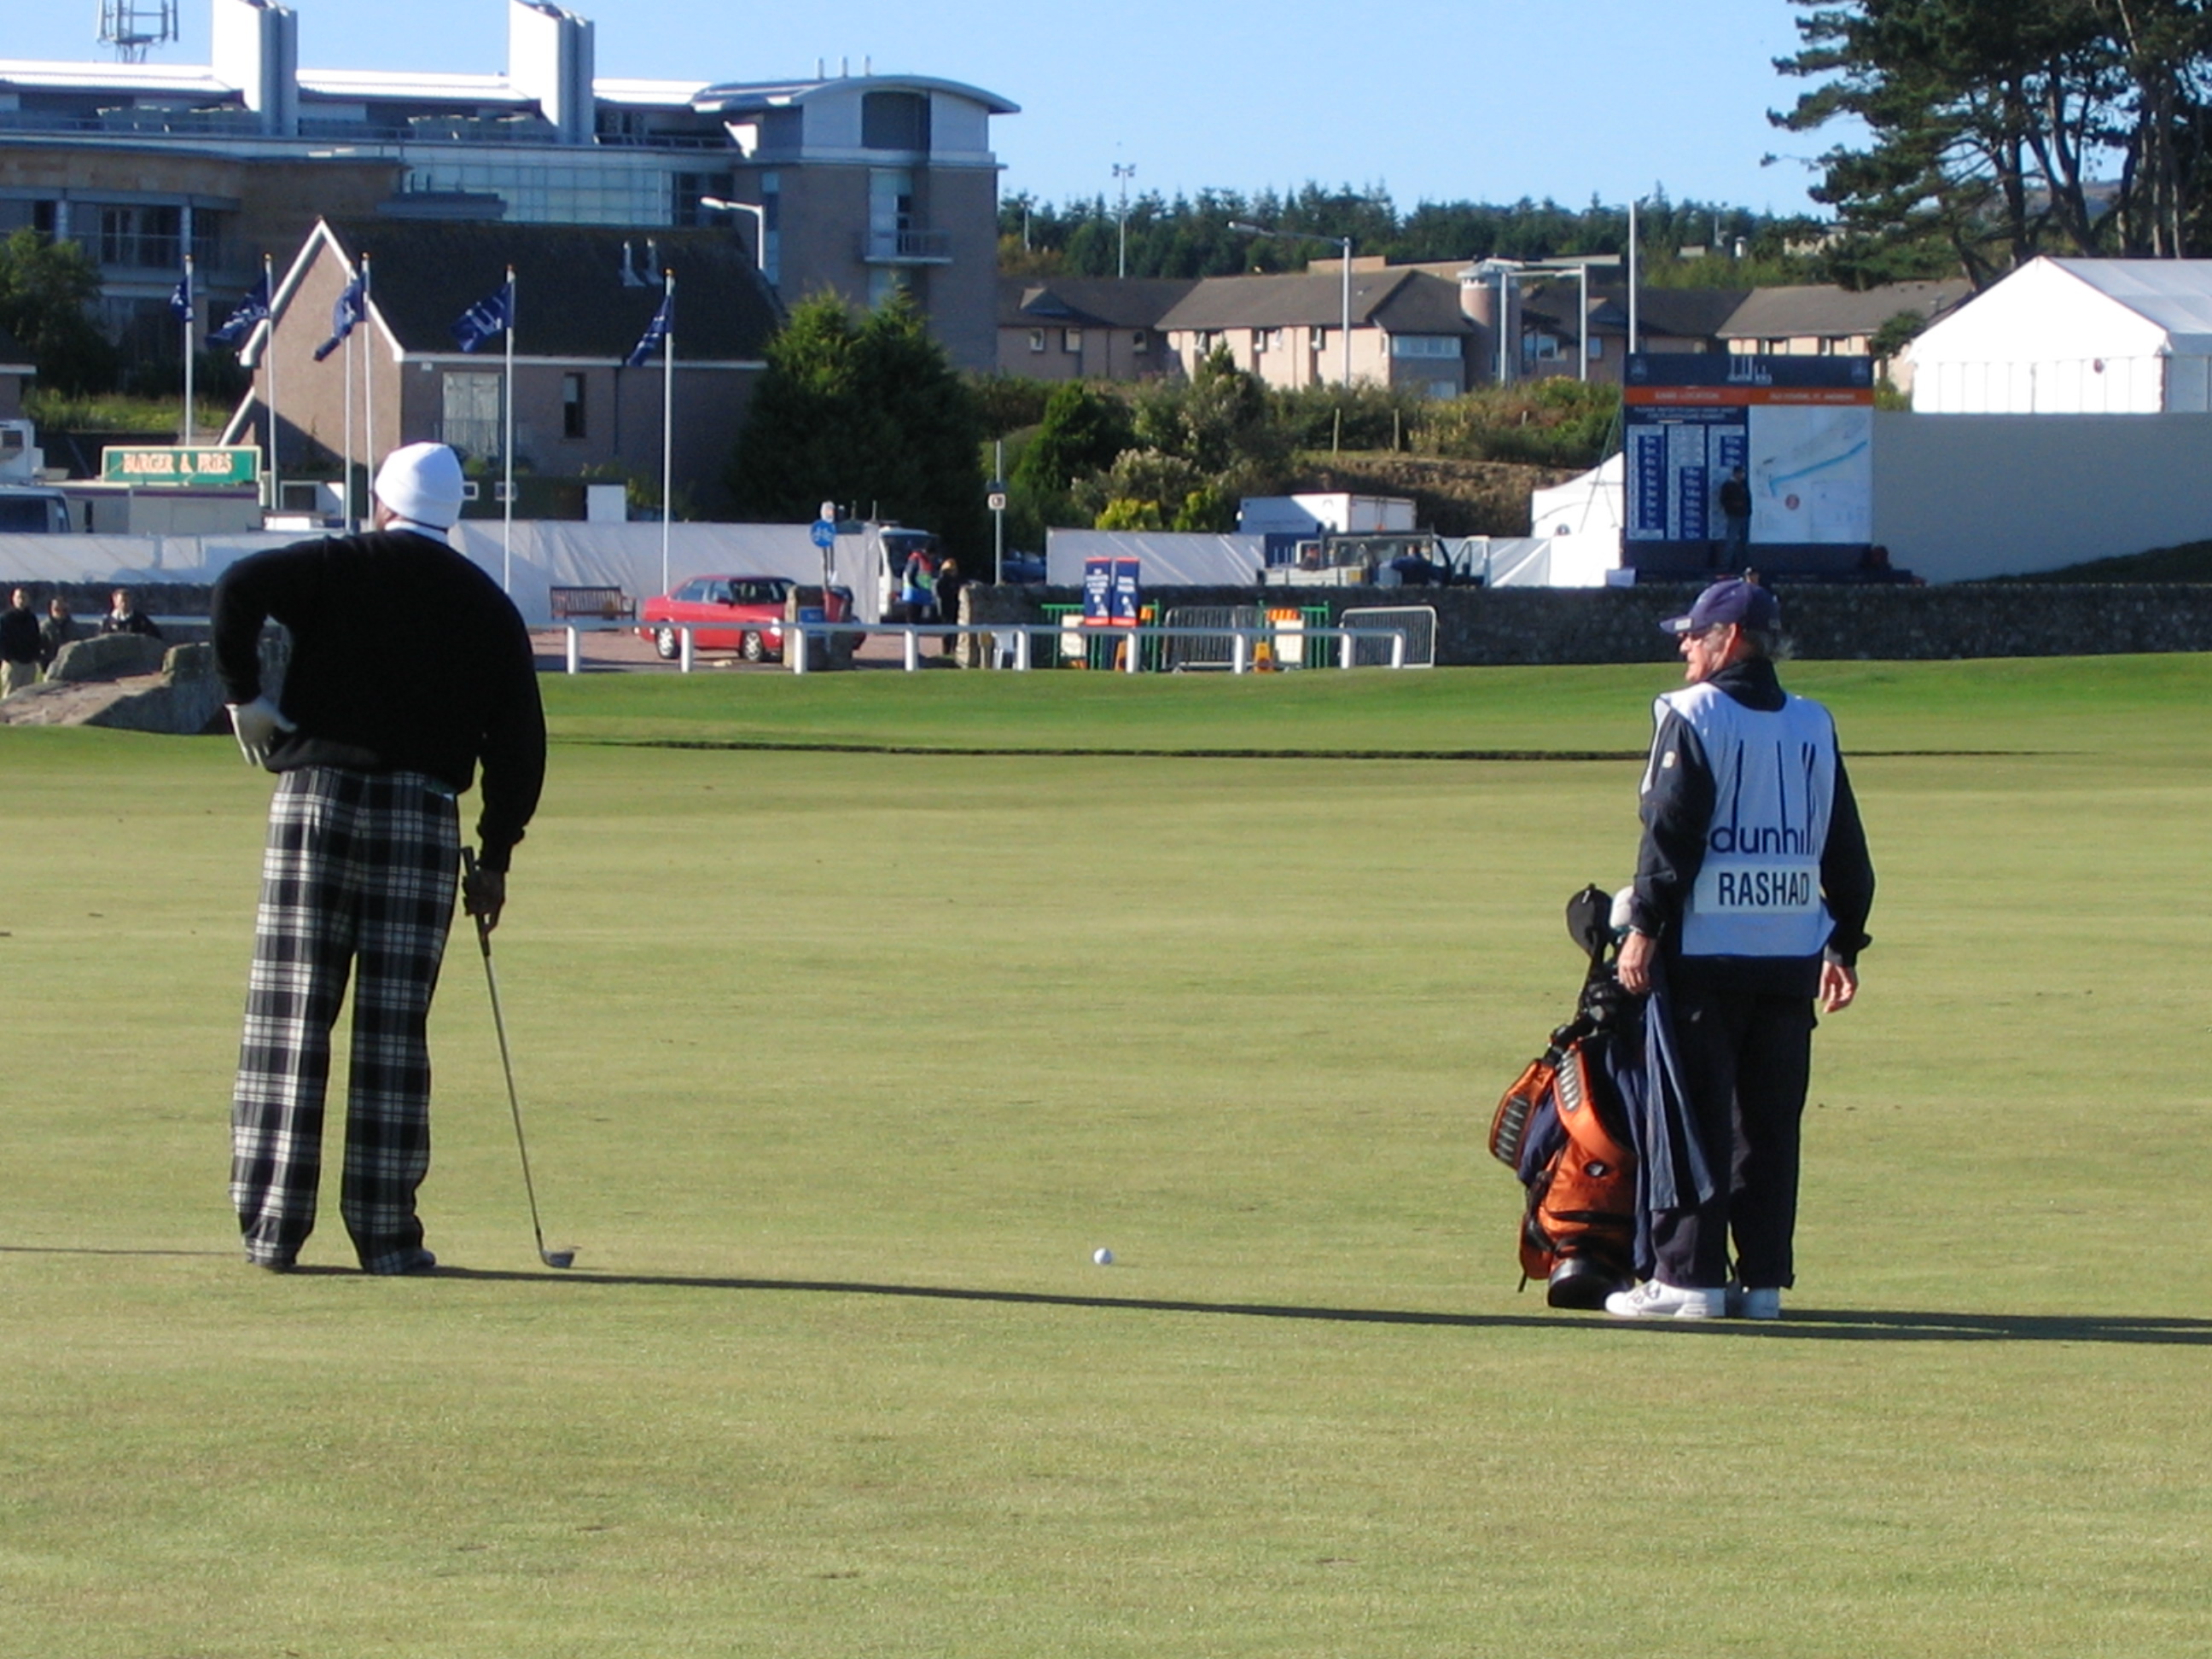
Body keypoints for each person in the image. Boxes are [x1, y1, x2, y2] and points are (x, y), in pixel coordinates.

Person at [212, 442, 546, 1275]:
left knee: (290, 1021)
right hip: (423, 816)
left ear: (383, 504)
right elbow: (519, 747)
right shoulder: (488, 606)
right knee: (394, 1033)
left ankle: (271, 1232)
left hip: (314, 804)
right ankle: (387, 1237)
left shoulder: (338, 562)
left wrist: (243, 695)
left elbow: (237, 590)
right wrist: (495, 853)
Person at [1608, 576, 1874, 1320]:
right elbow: (1843, 845)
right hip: (1789, 955)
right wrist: (1844, 942)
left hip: (1703, 956)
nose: (1685, 645)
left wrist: (1644, 929)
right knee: (1767, 1125)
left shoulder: (1693, 715)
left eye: (1694, 634)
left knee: (1690, 1117)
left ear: (1730, 640)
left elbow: (1671, 834)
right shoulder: (1814, 723)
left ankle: (1686, 1280)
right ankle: (1760, 1284)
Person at [0, 587, 38, 696]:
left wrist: (35, 657)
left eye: (24, 598)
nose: (21, 601)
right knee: (10, 697)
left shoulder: (32, 618)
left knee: (28, 697)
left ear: (28, 600)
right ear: (13, 599)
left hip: (29, 664)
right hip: (13, 664)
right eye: (18, 597)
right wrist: (7, 658)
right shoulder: (5, 618)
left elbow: (36, 639)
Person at [1714, 467, 1752, 567]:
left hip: (1744, 515)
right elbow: (1723, 500)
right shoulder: (1728, 486)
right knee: (1731, 540)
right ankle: (1726, 563)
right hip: (1734, 515)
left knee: (1744, 541)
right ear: (1735, 474)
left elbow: (1748, 499)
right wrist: (1733, 507)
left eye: (1743, 473)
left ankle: (1743, 563)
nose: (1742, 476)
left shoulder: (1744, 484)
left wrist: (1748, 511)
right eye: (1740, 473)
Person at [99, 586, 163, 641]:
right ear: (115, 601)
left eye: (127, 601)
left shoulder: (141, 619)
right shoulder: (107, 622)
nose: (124, 604)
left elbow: (156, 637)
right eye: (122, 601)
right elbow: (101, 640)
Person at [38, 596, 81, 674]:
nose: (60, 612)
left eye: (64, 610)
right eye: (57, 609)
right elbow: (38, 648)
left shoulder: (74, 627)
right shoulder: (44, 627)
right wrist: (44, 664)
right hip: (51, 667)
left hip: (70, 667)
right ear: (51, 609)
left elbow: (79, 646)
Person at [935, 555, 964, 655]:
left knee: (954, 629)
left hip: (954, 606)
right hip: (946, 607)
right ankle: (947, 650)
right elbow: (941, 593)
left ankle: (952, 649)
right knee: (948, 630)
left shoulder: (954, 580)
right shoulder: (943, 580)